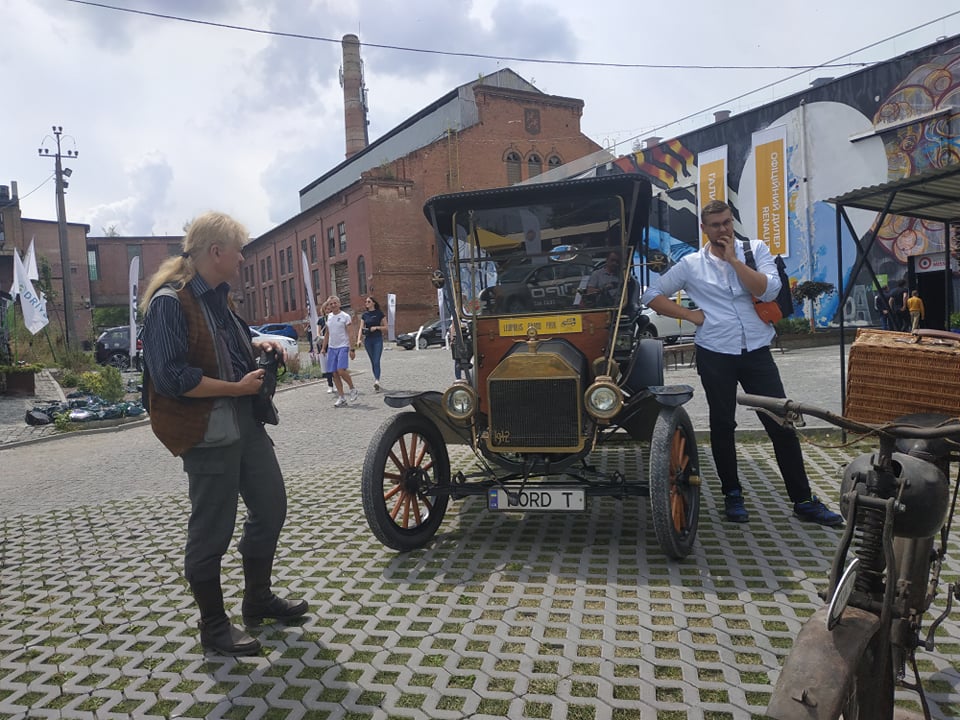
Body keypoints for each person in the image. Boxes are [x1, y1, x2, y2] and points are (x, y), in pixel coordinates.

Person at [139, 211, 308, 657]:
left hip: (245, 422)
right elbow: (171, 378)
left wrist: (258, 343)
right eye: (239, 250)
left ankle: (258, 600)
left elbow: (224, 344)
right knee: (211, 531)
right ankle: (214, 626)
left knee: (271, 507)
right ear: (216, 252)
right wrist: (236, 388)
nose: (243, 258)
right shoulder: (169, 303)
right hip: (207, 432)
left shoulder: (219, 299)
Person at [640, 199, 842, 526]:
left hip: (756, 351)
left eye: (727, 222)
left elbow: (769, 289)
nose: (723, 229)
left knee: (780, 422)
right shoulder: (691, 264)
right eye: (716, 225)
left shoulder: (755, 250)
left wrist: (734, 260)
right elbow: (651, 294)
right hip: (715, 351)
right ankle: (732, 495)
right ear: (704, 229)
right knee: (723, 425)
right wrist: (689, 315)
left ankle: (803, 500)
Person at [321, 295, 358, 407]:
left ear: (339, 304)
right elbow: (327, 333)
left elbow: (351, 333)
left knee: (341, 370)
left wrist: (352, 349)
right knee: (334, 373)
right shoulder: (329, 317)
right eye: (331, 304)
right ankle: (341, 397)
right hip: (332, 348)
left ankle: (352, 389)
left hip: (343, 346)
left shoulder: (345, 317)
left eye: (335, 303)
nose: (333, 305)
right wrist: (323, 347)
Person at [357, 296, 387, 392]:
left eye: (368, 301)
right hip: (368, 340)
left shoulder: (379, 313)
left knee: (376, 360)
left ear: (373, 303)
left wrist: (377, 327)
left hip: (377, 339)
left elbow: (386, 327)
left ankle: (377, 381)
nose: (366, 303)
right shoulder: (364, 315)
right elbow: (361, 328)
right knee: (373, 361)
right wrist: (359, 340)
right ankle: (376, 379)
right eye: (366, 302)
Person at [316, 300, 335, 394]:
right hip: (324, 344)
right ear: (323, 310)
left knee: (334, 365)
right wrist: (322, 337)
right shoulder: (321, 320)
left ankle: (336, 383)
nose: (328, 311)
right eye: (326, 309)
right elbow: (318, 333)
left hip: (333, 343)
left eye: (329, 309)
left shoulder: (334, 318)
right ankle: (330, 385)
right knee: (327, 365)